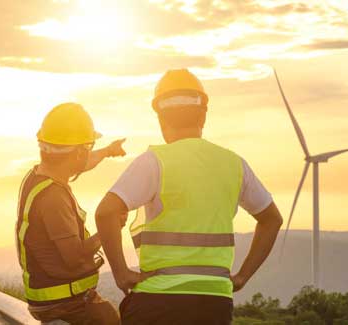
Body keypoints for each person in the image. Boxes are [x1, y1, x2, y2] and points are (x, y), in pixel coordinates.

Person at [95, 69, 284, 324]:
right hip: (214, 303)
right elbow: (272, 219)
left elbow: (106, 212)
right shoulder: (235, 164)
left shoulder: (154, 162)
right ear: (203, 116)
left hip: (158, 300)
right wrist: (242, 276)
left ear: (161, 118)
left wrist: (120, 272)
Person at [16, 102, 125, 324]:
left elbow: (79, 163)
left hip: (48, 301)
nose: (88, 154)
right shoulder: (53, 199)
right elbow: (74, 256)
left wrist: (107, 151)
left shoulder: (37, 176)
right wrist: (110, 228)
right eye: (87, 148)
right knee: (108, 317)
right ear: (77, 153)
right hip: (64, 307)